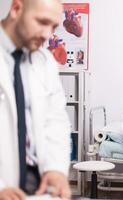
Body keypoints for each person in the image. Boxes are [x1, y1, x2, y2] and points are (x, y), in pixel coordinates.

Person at [0, 0, 71, 199]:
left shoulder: (45, 61)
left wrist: (55, 169)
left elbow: (55, 120)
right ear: (16, 9)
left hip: (37, 183)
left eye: (54, 26)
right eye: (42, 22)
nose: (47, 34)